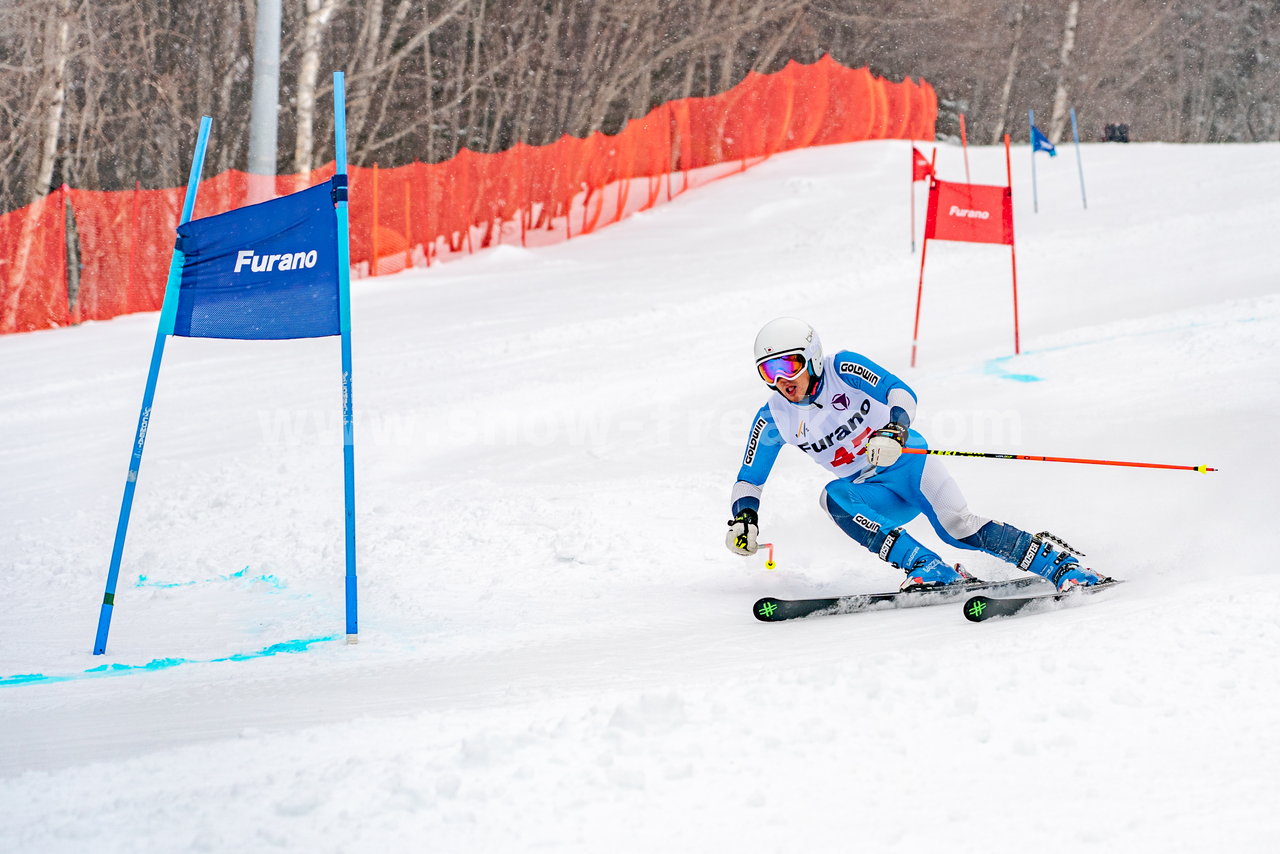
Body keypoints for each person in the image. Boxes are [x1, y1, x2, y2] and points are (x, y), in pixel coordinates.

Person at [725, 317, 1105, 591]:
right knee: (832, 497)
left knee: (959, 528)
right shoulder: (774, 415)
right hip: (871, 493)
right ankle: (928, 567)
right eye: (768, 372)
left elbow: (900, 391)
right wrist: (743, 518)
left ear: (810, 357)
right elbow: (749, 478)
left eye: (787, 366)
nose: (781, 381)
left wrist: (895, 428)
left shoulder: (842, 366)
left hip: (907, 464)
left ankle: (1062, 566)